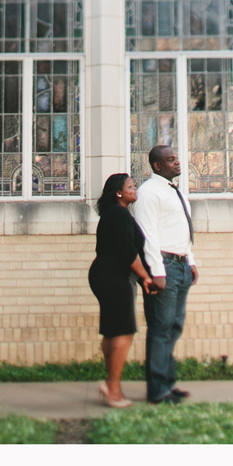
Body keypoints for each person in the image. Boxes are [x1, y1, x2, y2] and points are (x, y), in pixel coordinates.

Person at [132, 145, 198, 405]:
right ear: (157, 166)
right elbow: (147, 235)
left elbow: (180, 229)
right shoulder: (149, 193)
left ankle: (168, 385)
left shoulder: (172, 191)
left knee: (174, 326)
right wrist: (157, 272)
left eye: (177, 158)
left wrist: (190, 262)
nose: (177, 163)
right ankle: (158, 390)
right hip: (164, 266)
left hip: (180, 266)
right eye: (171, 160)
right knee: (161, 328)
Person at [88, 172, 156, 408]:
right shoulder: (118, 214)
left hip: (106, 275)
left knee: (112, 331)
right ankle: (113, 390)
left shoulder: (116, 213)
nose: (135, 188)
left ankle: (110, 384)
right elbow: (128, 251)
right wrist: (146, 277)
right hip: (113, 277)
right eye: (130, 186)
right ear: (118, 192)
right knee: (124, 332)